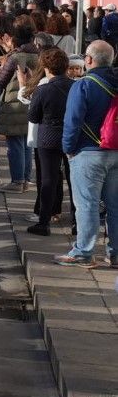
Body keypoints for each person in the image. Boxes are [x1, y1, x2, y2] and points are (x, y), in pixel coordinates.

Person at [56, 41, 118, 266]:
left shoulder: (84, 85)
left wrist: (68, 149)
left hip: (89, 151)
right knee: (115, 205)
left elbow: (72, 121)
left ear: (89, 60)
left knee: (87, 204)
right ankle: (116, 253)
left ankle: (83, 251)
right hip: (117, 152)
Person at [26, 49, 74, 236]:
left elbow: (33, 116)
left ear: (46, 68)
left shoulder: (43, 89)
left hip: (48, 138)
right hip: (72, 136)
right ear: (66, 67)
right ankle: (76, 222)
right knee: (73, 181)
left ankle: (44, 222)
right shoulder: (76, 86)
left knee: (48, 180)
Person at [0, 21, 39, 192]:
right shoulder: (39, 55)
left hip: (15, 104)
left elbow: (1, 81)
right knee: (27, 143)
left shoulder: (15, 57)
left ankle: (17, 181)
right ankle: (26, 179)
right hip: (32, 103)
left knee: (15, 144)